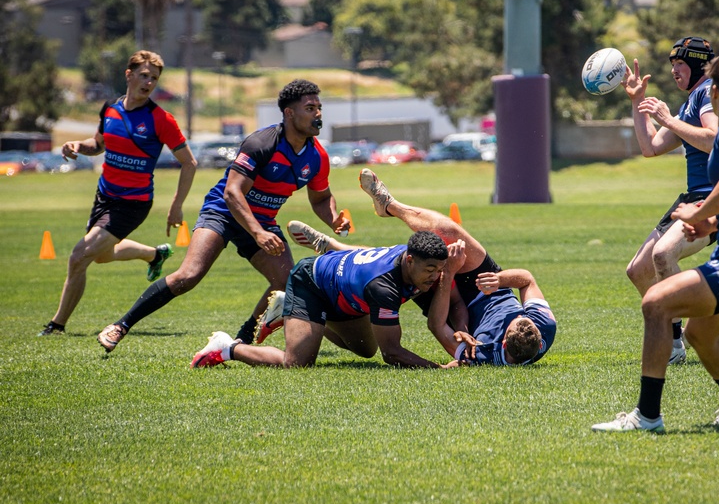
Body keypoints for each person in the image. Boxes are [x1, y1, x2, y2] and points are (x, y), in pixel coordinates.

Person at [592, 52, 719, 432]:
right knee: (699, 332)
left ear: (715, 90)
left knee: (656, 304)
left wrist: (696, 215)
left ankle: (647, 417)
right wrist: (711, 220)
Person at [97, 79, 350, 352]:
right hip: (223, 212)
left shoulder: (317, 156)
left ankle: (243, 338)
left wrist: (334, 218)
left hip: (261, 222)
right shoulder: (260, 144)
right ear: (289, 113)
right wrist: (258, 233)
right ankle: (120, 325)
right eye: (310, 108)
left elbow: (322, 198)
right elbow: (232, 193)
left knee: (288, 282)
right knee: (188, 276)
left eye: (319, 108)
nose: (318, 114)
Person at [268, 168, 557, 366]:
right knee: (449, 231)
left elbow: (436, 325)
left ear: (504, 344)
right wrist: (500, 280)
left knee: (394, 277)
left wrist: (451, 274)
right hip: (486, 282)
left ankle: (330, 254)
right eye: (519, 317)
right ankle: (389, 205)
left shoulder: (482, 355)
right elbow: (526, 280)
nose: (512, 317)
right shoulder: (544, 327)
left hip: (449, 296)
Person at [38, 50, 197, 337]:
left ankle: (57, 325)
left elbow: (189, 162)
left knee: (79, 256)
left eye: (154, 78)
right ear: (129, 75)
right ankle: (153, 254)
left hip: (132, 203)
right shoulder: (110, 109)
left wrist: (177, 206)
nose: (149, 82)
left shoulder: (161, 119)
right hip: (104, 196)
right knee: (101, 255)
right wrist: (77, 145)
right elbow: (98, 144)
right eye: (144, 75)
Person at [190, 231, 466, 369]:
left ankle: (291, 315)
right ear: (409, 259)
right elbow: (392, 353)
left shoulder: (419, 261)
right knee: (297, 363)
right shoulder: (383, 288)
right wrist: (439, 369)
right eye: (431, 271)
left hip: (344, 293)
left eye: (441, 270)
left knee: (364, 350)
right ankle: (228, 347)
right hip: (311, 283)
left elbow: (452, 303)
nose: (436, 277)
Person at [623, 37, 719, 365]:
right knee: (638, 271)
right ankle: (697, 316)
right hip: (691, 198)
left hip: (716, 201)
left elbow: (714, 139)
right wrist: (638, 101)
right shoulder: (689, 104)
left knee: (664, 254)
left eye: (680, 63)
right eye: (671, 64)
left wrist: (668, 120)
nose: (674, 70)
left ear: (698, 66)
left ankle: (675, 341)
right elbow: (650, 147)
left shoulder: (707, 93)